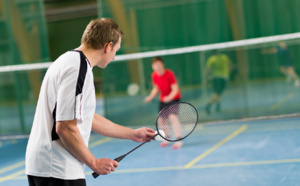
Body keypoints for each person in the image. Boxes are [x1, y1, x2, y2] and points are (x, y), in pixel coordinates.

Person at [25, 18, 155, 186]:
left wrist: (133, 134)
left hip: (45, 166)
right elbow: (64, 127)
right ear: (108, 47)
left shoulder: (69, 61)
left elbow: (87, 117)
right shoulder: (77, 68)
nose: (114, 56)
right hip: (57, 169)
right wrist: (94, 163)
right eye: (116, 50)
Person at [144, 57, 183, 149]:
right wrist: (150, 97)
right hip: (163, 99)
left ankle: (178, 139)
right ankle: (167, 138)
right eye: (155, 65)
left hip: (174, 98)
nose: (157, 66)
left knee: (173, 117)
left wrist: (169, 97)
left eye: (158, 64)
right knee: (162, 119)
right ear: (152, 66)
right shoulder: (154, 75)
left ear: (162, 64)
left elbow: (175, 89)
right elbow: (156, 88)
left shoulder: (169, 74)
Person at [205, 50, 232, 115]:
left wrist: (207, 77)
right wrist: (228, 72)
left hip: (215, 78)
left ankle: (217, 106)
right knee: (217, 93)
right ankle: (209, 105)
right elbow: (231, 66)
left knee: (217, 93)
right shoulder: (224, 57)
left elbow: (208, 69)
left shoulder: (211, 59)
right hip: (223, 77)